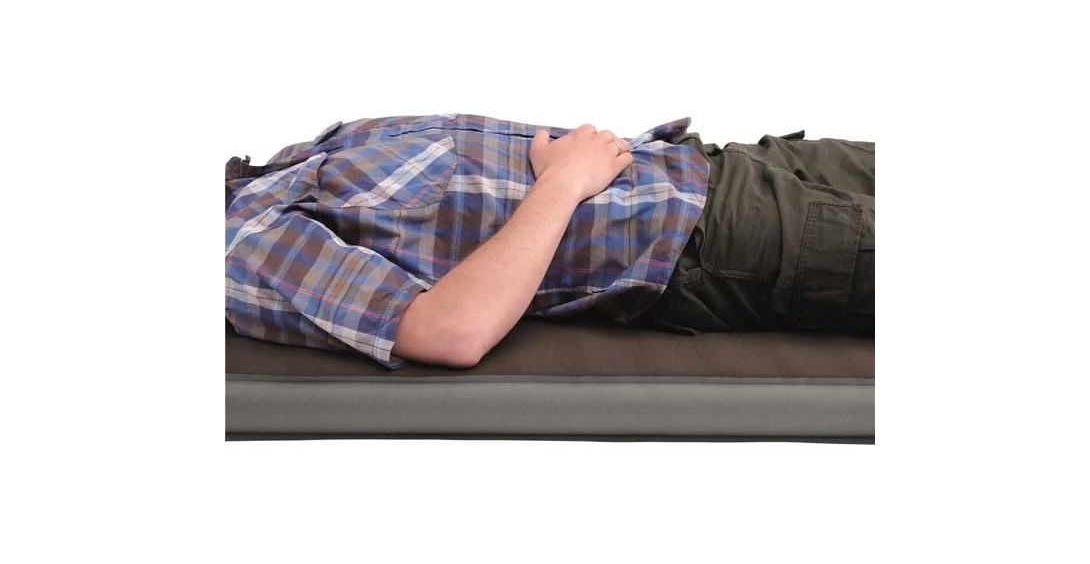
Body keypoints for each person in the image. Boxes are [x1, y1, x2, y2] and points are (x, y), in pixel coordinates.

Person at [225, 112, 873, 370]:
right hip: (712, 243)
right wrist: (564, 181)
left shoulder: (272, 171)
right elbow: (451, 331)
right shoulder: (244, 246)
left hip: (717, 164)